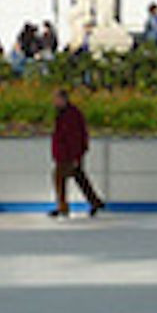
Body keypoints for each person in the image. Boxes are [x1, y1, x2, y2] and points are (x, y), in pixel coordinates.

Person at [48, 88, 105, 218]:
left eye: (56, 99)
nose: (54, 102)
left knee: (59, 178)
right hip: (65, 154)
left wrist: (76, 157)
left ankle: (63, 208)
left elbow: (75, 137)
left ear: (63, 99)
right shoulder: (63, 114)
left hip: (68, 155)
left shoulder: (71, 115)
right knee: (80, 178)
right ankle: (95, 202)